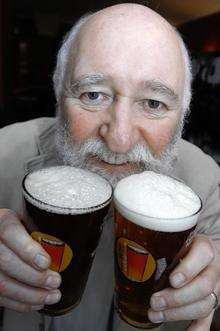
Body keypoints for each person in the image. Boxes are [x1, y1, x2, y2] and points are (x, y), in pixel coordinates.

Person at [0, 3, 220, 331]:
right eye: (93, 95)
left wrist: (212, 286)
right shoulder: (4, 153)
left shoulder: (207, 181)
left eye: (153, 103)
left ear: (183, 113)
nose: (119, 139)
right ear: (60, 92)